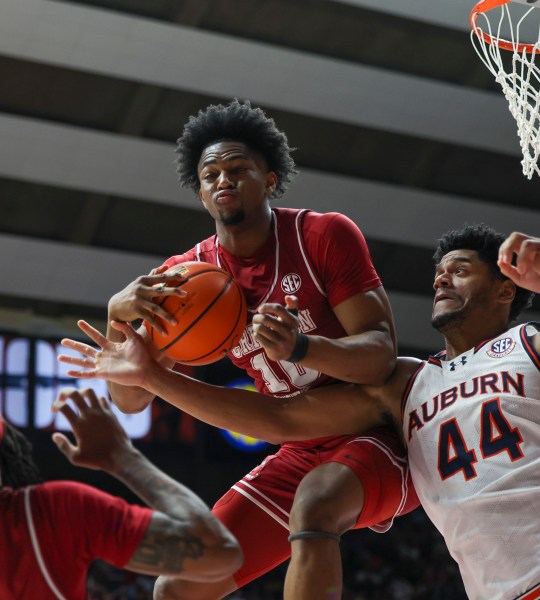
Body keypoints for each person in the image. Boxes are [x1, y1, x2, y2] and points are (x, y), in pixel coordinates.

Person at [61, 225, 540, 599]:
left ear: (506, 288)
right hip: (510, 593)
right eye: (437, 272)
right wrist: (155, 376)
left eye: (458, 271)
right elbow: (279, 422)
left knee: (315, 506)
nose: (440, 279)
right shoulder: (406, 384)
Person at [100, 99, 418, 599]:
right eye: (211, 175)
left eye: (237, 169)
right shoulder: (185, 277)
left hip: (379, 429)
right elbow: (130, 399)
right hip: (298, 442)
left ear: (269, 180)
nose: (222, 180)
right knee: (178, 587)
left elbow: (380, 356)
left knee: (314, 507)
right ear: (202, 194)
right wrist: (119, 316)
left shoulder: (322, 235)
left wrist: (304, 347)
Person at [0, 388, 242, 600]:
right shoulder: (50, 512)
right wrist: (123, 458)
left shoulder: (50, 512)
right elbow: (219, 552)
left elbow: (220, 554)